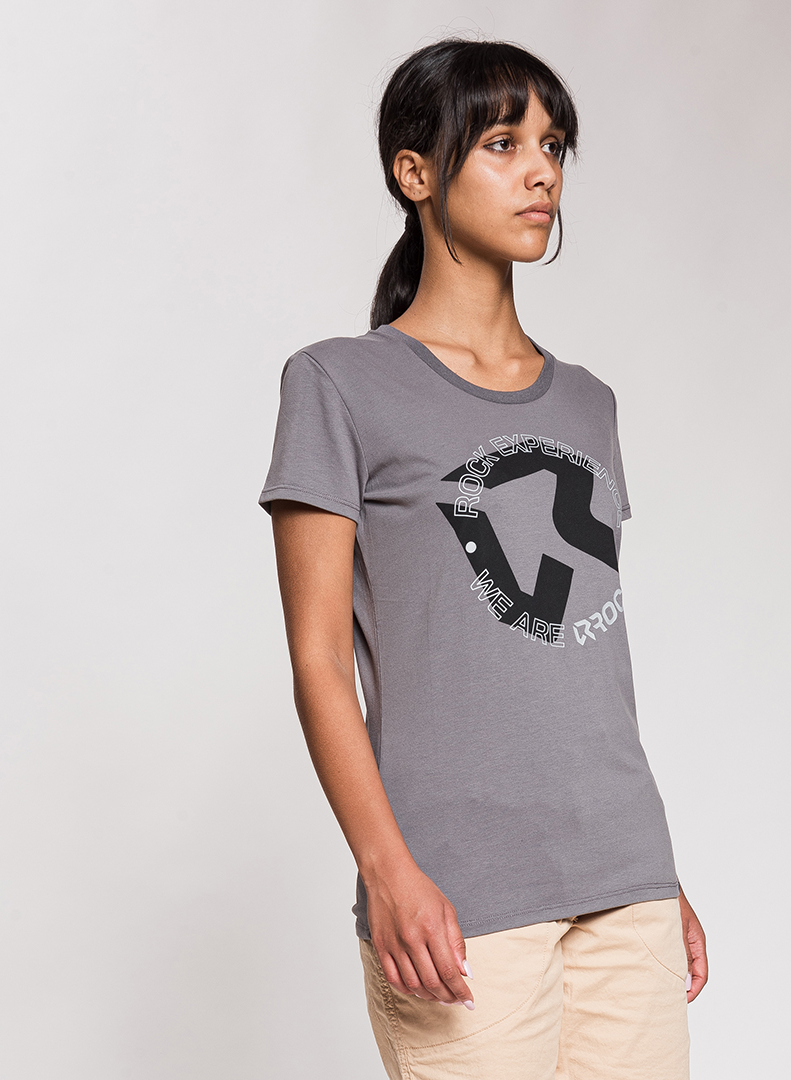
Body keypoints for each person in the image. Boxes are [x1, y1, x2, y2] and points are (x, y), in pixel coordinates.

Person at [259, 37, 707, 1080]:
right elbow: (319, 661)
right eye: (504, 143)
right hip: (460, 895)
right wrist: (387, 869)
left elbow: (586, 658)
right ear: (415, 172)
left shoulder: (588, 403)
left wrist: (658, 872)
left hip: (625, 887)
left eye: (553, 145)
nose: (542, 171)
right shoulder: (338, 385)